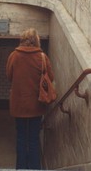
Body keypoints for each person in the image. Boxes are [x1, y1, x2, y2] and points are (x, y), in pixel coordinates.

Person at [6, 28, 55, 170]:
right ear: (36, 40)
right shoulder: (42, 57)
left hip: (19, 105)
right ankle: (34, 168)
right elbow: (51, 77)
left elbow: (9, 76)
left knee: (21, 137)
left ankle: (20, 167)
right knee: (34, 138)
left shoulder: (14, 56)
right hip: (36, 105)